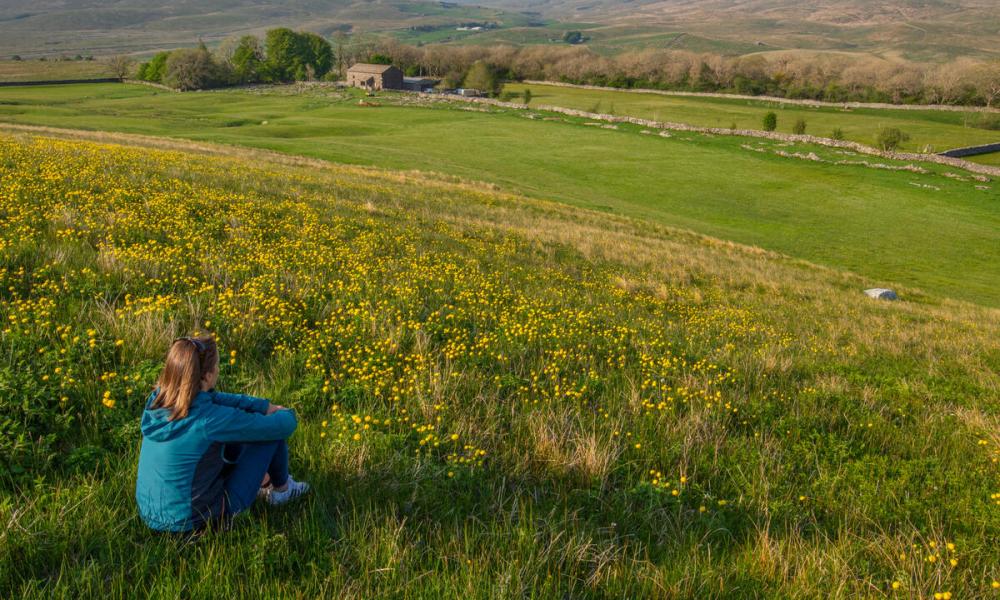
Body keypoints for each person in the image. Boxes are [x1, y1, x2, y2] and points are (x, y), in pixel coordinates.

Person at [135, 336, 309, 533]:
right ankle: (282, 491)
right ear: (207, 376)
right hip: (194, 524)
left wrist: (262, 406)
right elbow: (282, 427)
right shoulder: (209, 420)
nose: (218, 369)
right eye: (217, 365)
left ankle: (267, 482)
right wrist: (284, 413)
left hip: (151, 515)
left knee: (225, 443)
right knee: (268, 435)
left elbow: (215, 398)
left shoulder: (158, 401)